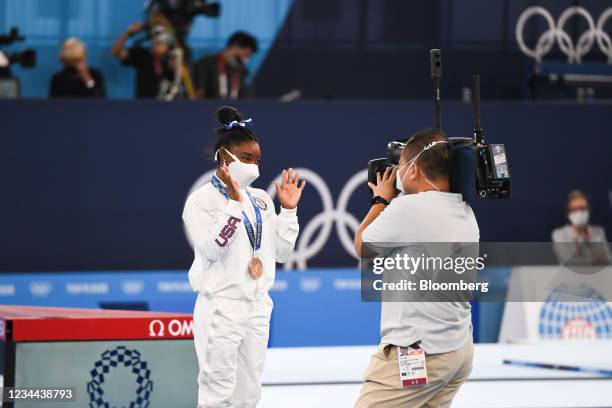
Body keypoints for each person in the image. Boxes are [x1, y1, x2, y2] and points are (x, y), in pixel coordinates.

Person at [182, 106, 305, 407]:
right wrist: (234, 206)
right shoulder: (201, 201)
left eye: (258, 160)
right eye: (247, 159)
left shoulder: (261, 199)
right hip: (221, 306)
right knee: (218, 391)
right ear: (225, 158)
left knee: (249, 392)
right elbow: (212, 249)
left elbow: (282, 253)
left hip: (258, 305)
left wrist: (288, 212)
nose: (254, 167)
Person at [353, 129, 479, 408]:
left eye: (399, 166)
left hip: (418, 353)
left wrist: (381, 200)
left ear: (414, 170)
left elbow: (363, 246)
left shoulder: (407, 209)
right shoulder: (465, 210)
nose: (395, 173)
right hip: (457, 351)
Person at [111, 22, 176, 98]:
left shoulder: (173, 56)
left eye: (161, 42)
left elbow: (182, 76)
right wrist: (127, 33)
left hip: (168, 105)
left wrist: (170, 56)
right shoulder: (142, 55)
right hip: (143, 104)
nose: (157, 45)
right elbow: (115, 52)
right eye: (155, 42)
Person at [192, 32, 258, 99]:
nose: (246, 58)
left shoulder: (242, 70)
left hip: (233, 108)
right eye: (246, 54)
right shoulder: (206, 63)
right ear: (235, 46)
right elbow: (198, 93)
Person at [552, 190, 610, 265]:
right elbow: (567, 260)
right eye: (574, 209)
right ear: (568, 214)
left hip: (598, 275)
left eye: (583, 208)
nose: (579, 212)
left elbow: (608, 258)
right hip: (570, 276)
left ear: (588, 210)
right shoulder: (558, 234)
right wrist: (594, 259)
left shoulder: (598, 231)